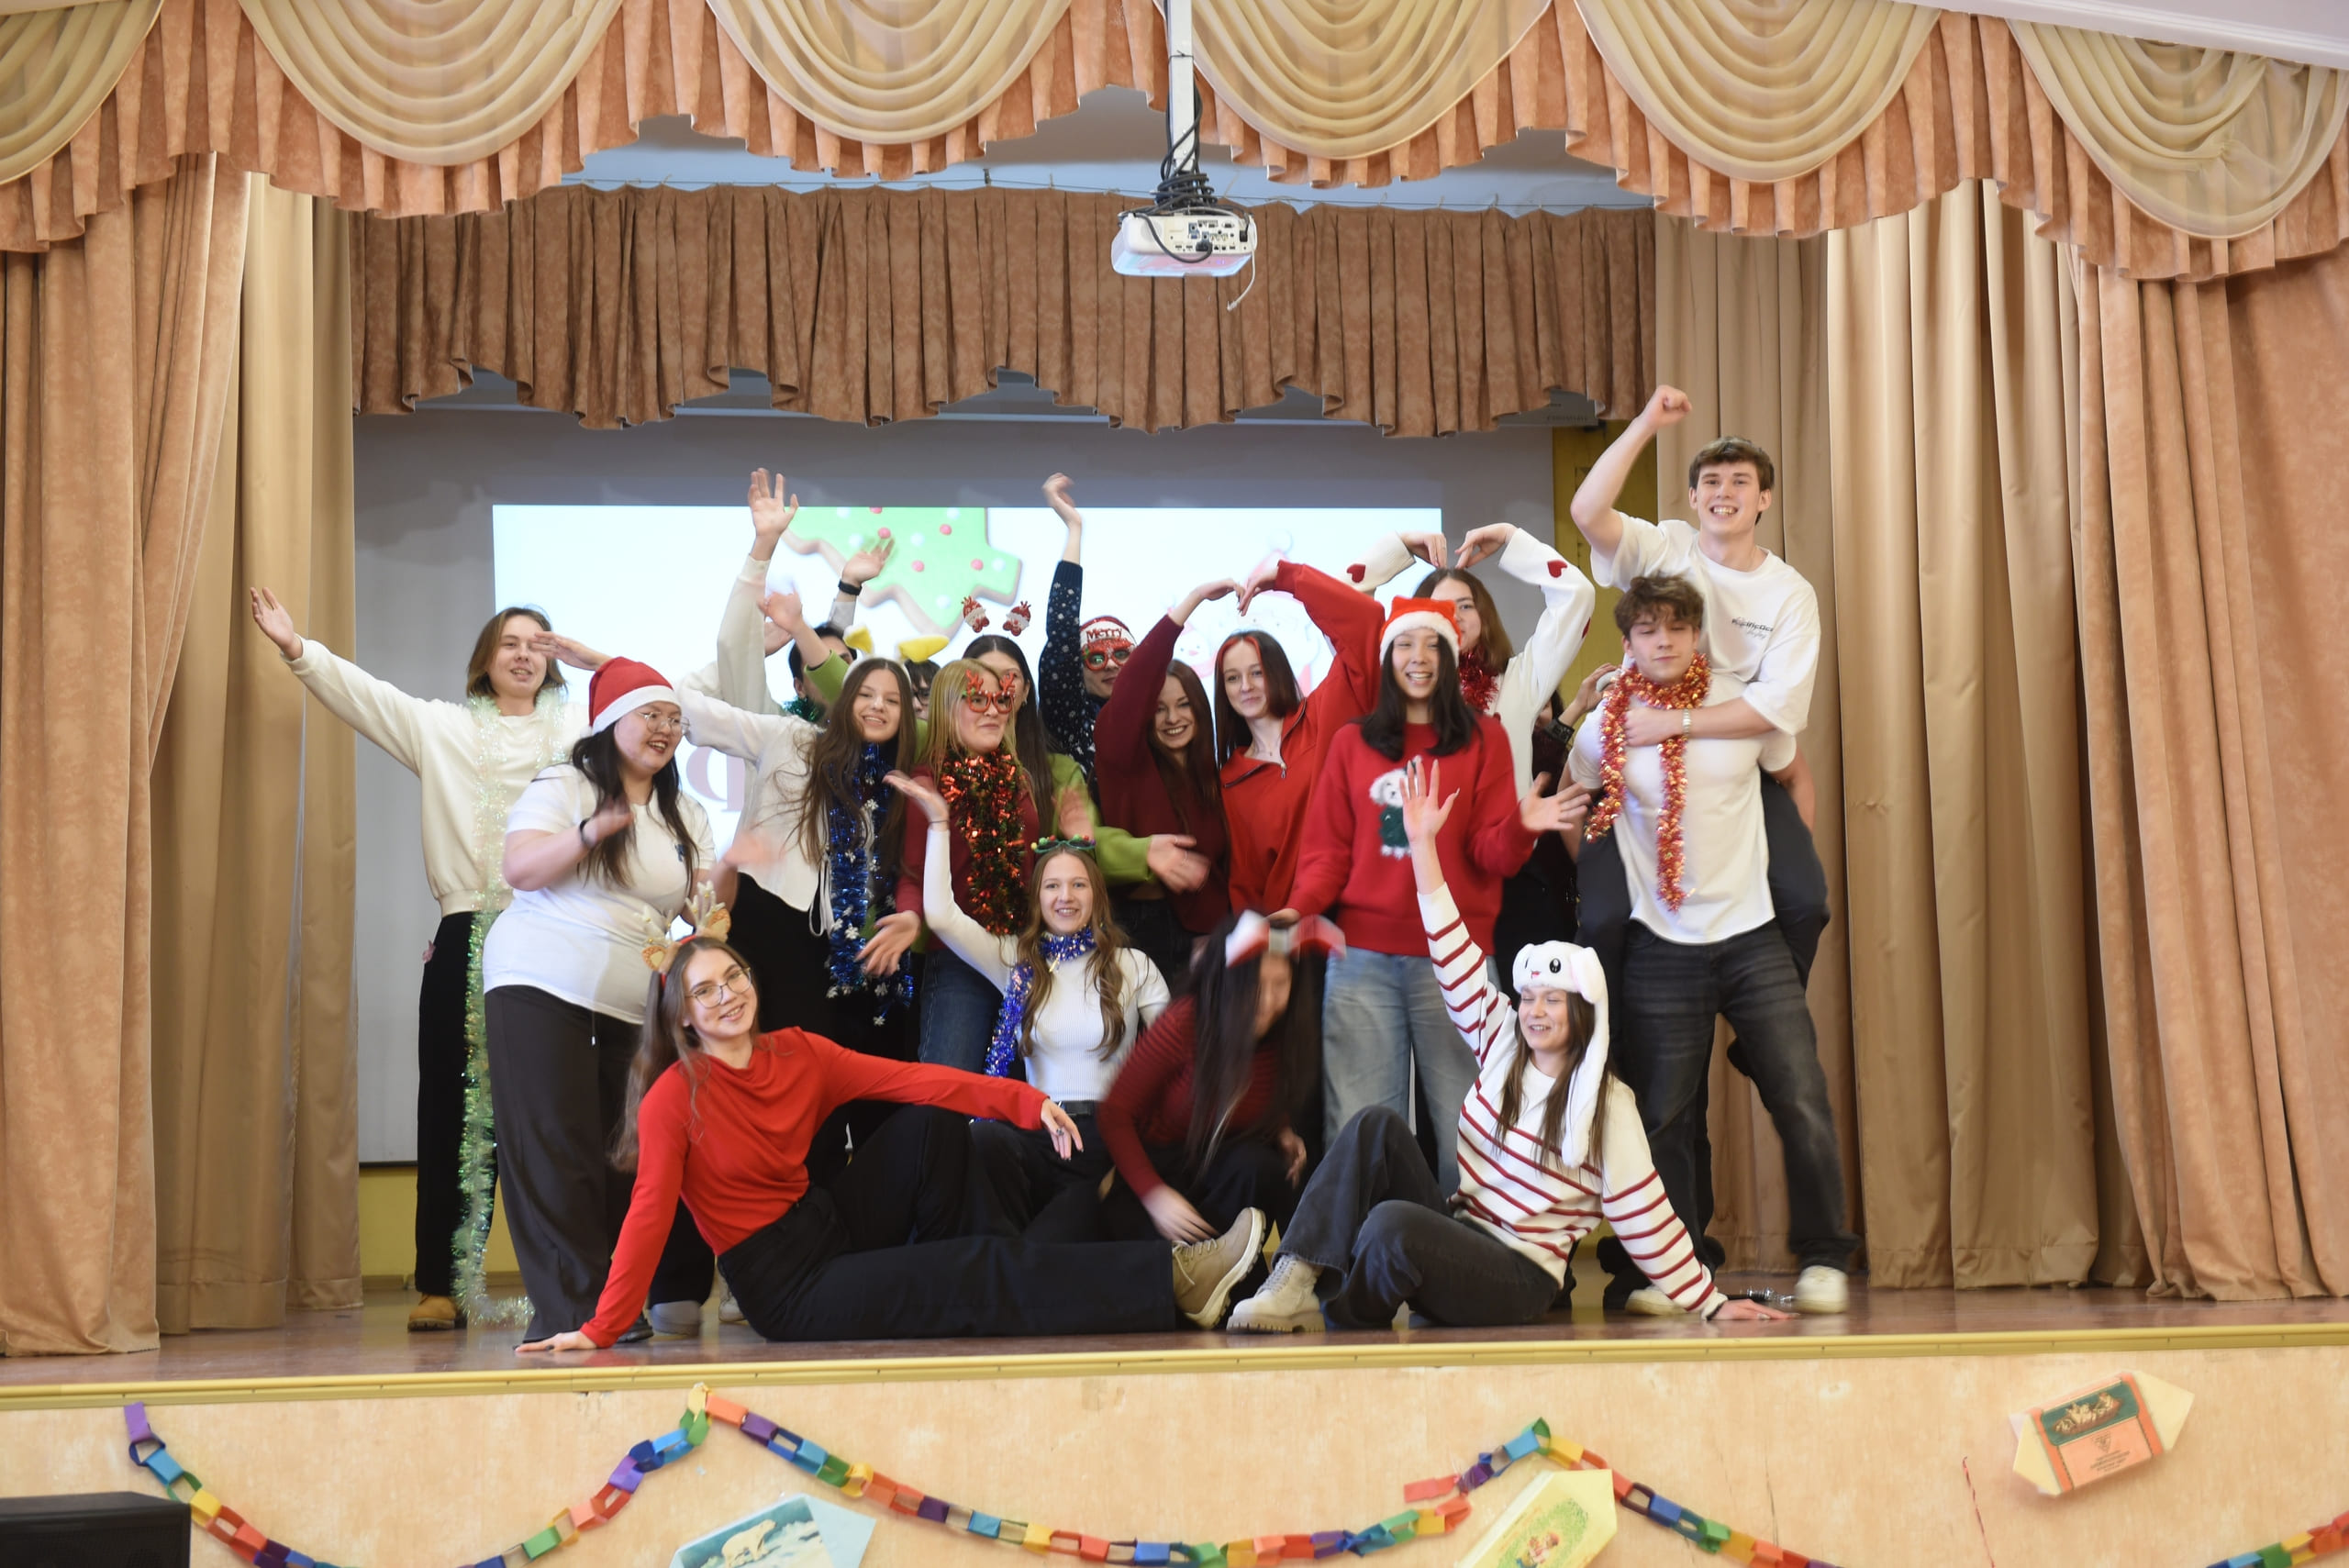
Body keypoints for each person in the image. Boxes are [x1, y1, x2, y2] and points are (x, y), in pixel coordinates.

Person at [1229, 755, 1788, 1332]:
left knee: (1392, 1225)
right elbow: (1450, 946)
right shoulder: (1501, 1035)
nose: (1536, 1011)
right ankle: (1293, 1280)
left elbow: (1645, 1213)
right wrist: (1422, 845)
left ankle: (1345, 1316)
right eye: (1530, 997)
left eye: (1553, 1000)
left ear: (1582, 1012)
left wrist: (1710, 1302)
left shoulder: (1606, 1101)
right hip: (1462, 1233)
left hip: (1519, 1276)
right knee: (1375, 1127)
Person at [515, 938, 1267, 1348]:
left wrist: (1026, 1100)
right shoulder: (674, 1097)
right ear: (683, 1016)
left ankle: (984, 1281)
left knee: (928, 1128)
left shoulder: (796, 1051)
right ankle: (1173, 1280)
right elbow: (648, 1213)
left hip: (824, 1224)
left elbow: (917, 1082)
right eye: (704, 990)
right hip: (785, 1287)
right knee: (975, 1268)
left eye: (733, 975)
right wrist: (600, 1327)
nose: (726, 995)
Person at [250, 589, 584, 1332]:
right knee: (449, 1114)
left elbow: (657, 711)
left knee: (554, 1113)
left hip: (555, 934)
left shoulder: (579, 739)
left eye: (538, 644)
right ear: (484, 661)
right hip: (467, 928)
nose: (524, 654)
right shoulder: (443, 727)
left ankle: (573, 1282)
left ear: (555, 661)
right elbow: (368, 698)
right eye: (509, 643)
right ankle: (440, 1282)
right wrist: (299, 649)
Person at [1566, 575, 1855, 1316]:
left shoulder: (1740, 707)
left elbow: (1794, 777)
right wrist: (1606, 875)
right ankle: (1679, 1264)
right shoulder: (1604, 725)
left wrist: (1792, 862)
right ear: (1628, 641)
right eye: (1648, 630)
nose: (1663, 641)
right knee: (1665, 1116)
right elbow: (1575, 803)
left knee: (1800, 1094)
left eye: (1676, 628)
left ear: (1697, 635)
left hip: (1753, 936)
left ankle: (1824, 1256)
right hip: (1660, 945)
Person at [1285, 599, 1580, 1192]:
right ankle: (1364, 1251)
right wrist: (1296, 912)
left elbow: (1491, 854)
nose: (1417, 657)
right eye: (1404, 644)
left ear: (1450, 657)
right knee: (1359, 1131)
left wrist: (1521, 827)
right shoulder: (1351, 743)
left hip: (1457, 963)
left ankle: (1466, 1249)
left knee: (1468, 1130)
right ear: (1387, 656)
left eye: (1431, 644)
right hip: (1362, 960)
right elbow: (1326, 854)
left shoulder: (1485, 738)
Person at [481, 657, 719, 1343]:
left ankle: (611, 1309)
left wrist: (730, 884)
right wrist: (589, 832)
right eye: (651, 715)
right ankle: (571, 1313)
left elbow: (703, 906)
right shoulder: (565, 784)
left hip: (632, 1004)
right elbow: (520, 867)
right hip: (538, 981)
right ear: (612, 720)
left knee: (623, 1156)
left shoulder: (686, 813)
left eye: (674, 719)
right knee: (555, 1148)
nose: (665, 729)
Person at [1564, 385, 1830, 999]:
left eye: (1740, 482)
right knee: (1607, 922)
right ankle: (1614, 1028)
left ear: (1763, 499)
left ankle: (1763, 1018)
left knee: (1804, 899)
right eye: (1710, 481)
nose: (1723, 492)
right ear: (1692, 497)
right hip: (1641, 750)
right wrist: (1645, 424)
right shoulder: (1665, 547)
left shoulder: (1790, 593)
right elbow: (1587, 511)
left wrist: (1681, 724)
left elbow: (1777, 708)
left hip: (1738, 756)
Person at [895, 771, 1171, 1240]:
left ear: (1097, 894)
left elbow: (1176, 1059)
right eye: (1052, 886)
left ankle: (1034, 1256)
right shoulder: (1016, 961)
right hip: (1041, 1131)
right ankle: (1001, 1256)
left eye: (1079, 885)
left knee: (1063, 1236)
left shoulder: (1133, 965)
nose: (1065, 897)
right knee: (983, 1139)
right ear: (1038, 898)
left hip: (1110, 1137)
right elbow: (941, 917)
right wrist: (940, 824)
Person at [1095, 910, 1336, 1244]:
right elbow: (1114, 1113)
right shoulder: (1185, 1022)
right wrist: (1154, 1195)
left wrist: (1280, 1128)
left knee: (1263, 1169)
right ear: (1230, 981)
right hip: (1158, 1169)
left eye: (1280, 985)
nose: (1268, 1001)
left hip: (1219, 1168)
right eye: (1255, 985)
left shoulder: (1288, 1035)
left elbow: (1250, 1095)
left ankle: (1248, 1263)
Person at [896, 661, 1072, 1072]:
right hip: (958, 958)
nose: (993, 710)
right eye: (977, 699)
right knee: (947, 1089)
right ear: (946, 707)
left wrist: (1071, 840)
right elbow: (913, 874)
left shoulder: (1019, 778)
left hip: (1026, 951)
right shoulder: (928, 782)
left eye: (1001, 699)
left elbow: (1034, 867)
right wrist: (909, 916)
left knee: (1030, 1087)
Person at [1214, 558, 1386, 917]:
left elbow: (1364, 621)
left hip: (1364, 913)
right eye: (1232, 678)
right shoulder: (1231, 780)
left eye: (1256, 672)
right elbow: (1246, 881)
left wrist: (1289, 578)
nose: (1245, 687)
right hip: (1293, 928)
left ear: (1277, 672)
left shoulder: (1324, 712)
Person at [1094, 577, 1237, 982]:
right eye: (1159, 709)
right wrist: (1191, 602)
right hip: (1136, 934)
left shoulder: (1214, 779)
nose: (1173, 718)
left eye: (1184, 705)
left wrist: (1215, 935)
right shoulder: (1126, 760)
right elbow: (1132, 686)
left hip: (1206, 941)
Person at [1036, 473, 1134, 786]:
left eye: (1122, 654)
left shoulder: (1156, 717)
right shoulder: (1072, 723)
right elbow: (1062, 629)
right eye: (1096, 657)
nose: (1111, 665)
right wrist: (1075, 529)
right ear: (1077, 667)